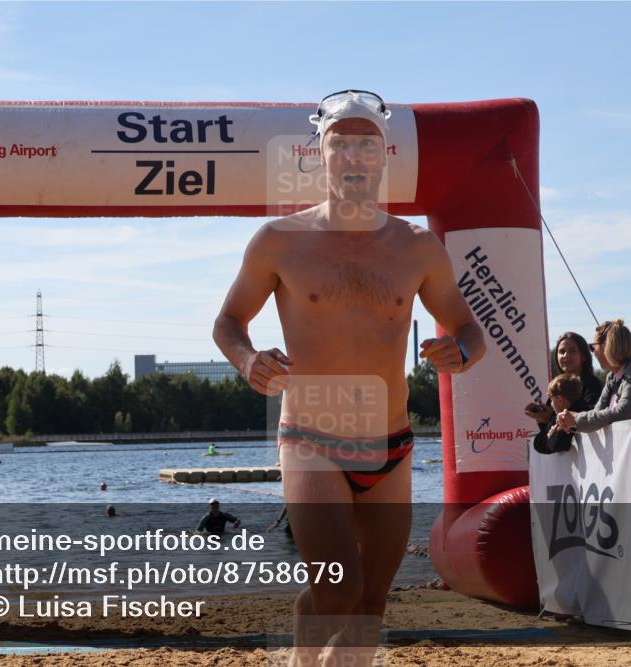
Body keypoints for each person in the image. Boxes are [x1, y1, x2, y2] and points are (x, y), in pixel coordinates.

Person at [213, 89, 485, 666]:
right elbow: (228, 322)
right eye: (343, 145)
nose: (355, 157)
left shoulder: (418, 247)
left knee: (371, 604)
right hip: (312, 439)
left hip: (391, 445)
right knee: (339, 589)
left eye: (368, 145)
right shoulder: (279, 241)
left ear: (384, 156)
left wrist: (460, 350)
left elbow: (469, 327)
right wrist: (246, 360)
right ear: (321, 155)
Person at [556, 319, 631, 434]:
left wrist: (576, 419)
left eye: (592, 347)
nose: (593, 353)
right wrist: (573, 420)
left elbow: (623, 413)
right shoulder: (612, 377)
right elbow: (598, 412)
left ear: (606, 346)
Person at [524, 332, 602, 426]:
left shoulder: (593, 385)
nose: (565, 356)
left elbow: (590, 418)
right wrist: (542, 415)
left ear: (583, 356)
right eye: (561, 352)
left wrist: (551, 417)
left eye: (572, 351)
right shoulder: (557, 386)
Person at [533, 373, 583, 455]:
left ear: (560, 400)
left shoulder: (569, 417)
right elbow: (538, 444)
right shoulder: (557, 417)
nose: (551, 404)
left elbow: (558, 444)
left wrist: (550, 435)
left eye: (551, 399)